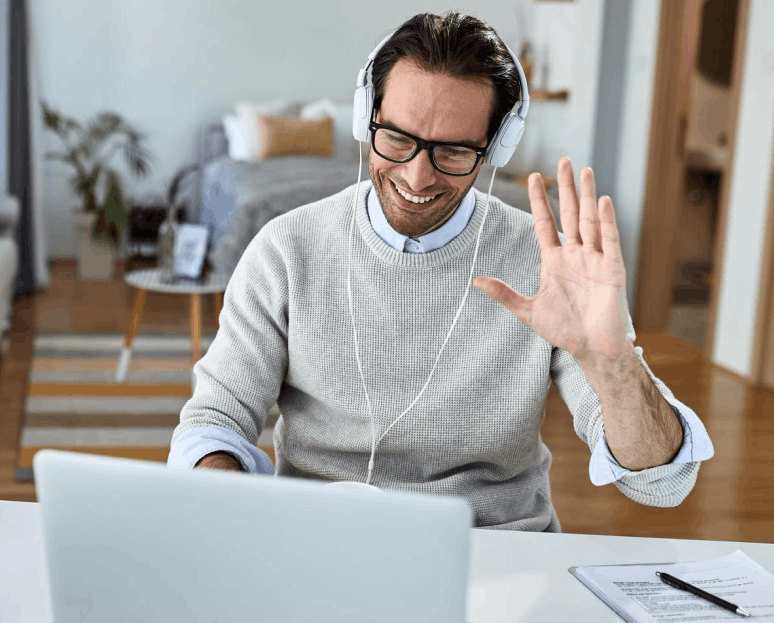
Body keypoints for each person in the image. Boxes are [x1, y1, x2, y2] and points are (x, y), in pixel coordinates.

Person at [168, 11, 713, 531]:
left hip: (498, 552)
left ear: (494, 148)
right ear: (367, 118)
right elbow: (213, 421)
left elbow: (662, 485)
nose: (417, 175)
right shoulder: (286, 249)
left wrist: (612, 363)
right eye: (398, 138)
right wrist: (237, 517)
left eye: (453, 151)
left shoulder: (546, 263)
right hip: (321, 544)